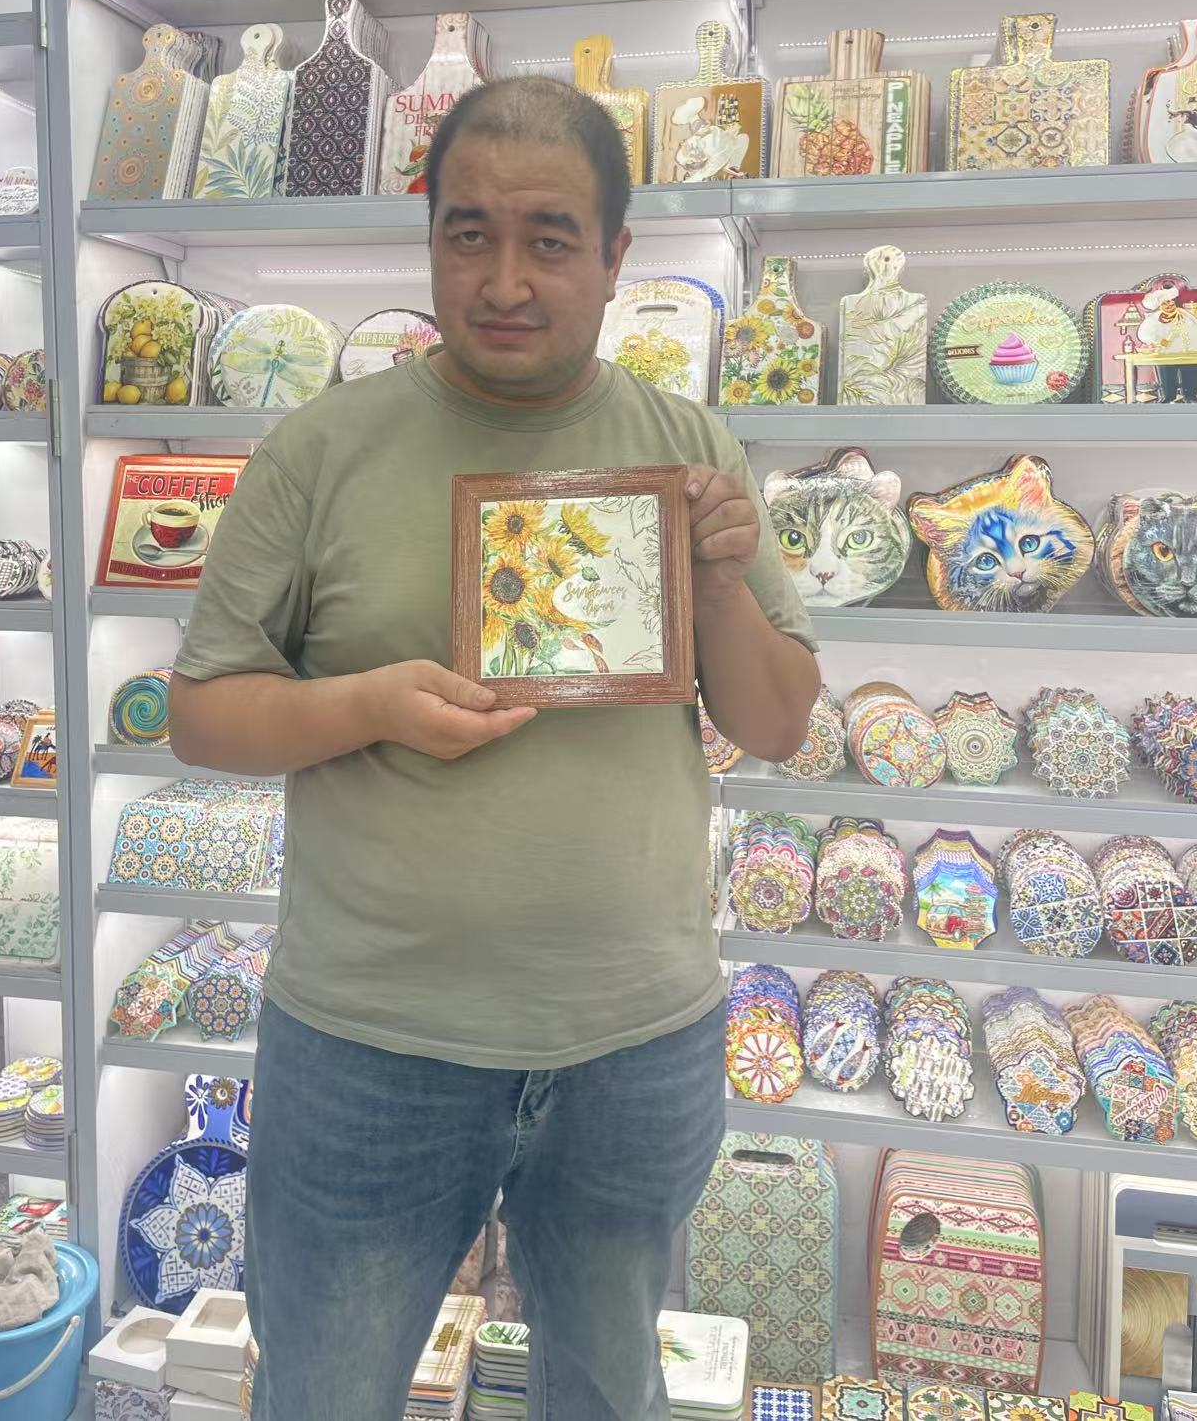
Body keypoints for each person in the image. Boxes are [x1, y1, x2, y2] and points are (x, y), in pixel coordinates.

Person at [169, 77, 820, 1421]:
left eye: (549, 238)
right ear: (429, 239)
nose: (505, 279)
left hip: (634, 1040)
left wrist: (717, 581)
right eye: (469, 233)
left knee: (607, 1390)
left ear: (616, 257)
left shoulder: (684, 448)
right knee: (325, 1394)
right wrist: (368, 704)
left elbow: (778, 721)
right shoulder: (320, 449)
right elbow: (204, 711)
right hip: (368, 1043)